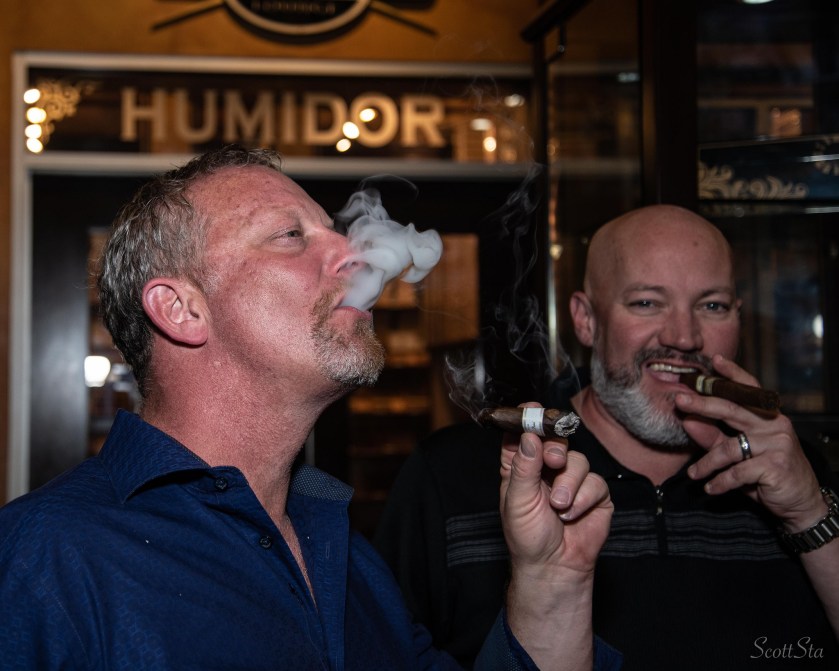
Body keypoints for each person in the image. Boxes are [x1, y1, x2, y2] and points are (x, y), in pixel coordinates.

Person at [0, 145, 621, 670]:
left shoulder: (347, 561)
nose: (357, 255)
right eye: (291, 235)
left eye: (337, 232)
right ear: (181, 309)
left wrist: (552, 582)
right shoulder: (46, 558)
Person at [375, 204, 839, 670]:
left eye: (712, 305)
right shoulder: (454, 475)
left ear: (739, 317)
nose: (684, 337)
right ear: (586, 319)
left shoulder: (794, 474)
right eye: (647, 303)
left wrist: (809, 515)